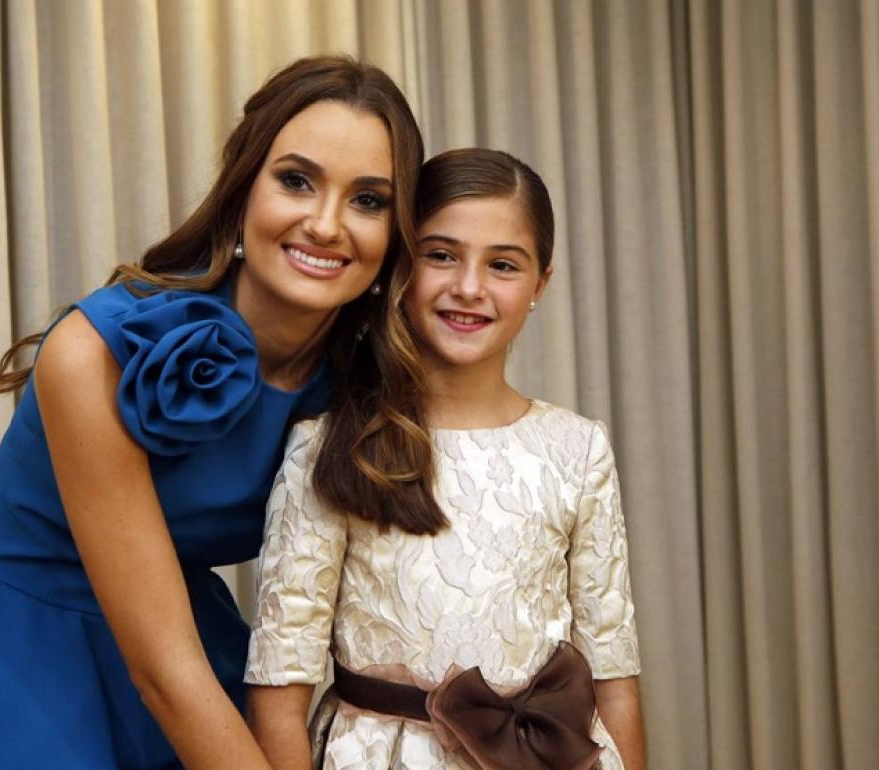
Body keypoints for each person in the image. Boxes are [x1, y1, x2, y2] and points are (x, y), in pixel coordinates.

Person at [0, 55, 425, 770]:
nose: (325, 224)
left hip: (185, 649)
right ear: (242, 190)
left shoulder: (357, 385)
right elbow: (164, 675)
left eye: (369, 200)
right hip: (30, 660)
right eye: (296, 181)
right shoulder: (94, 353)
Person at [243, 148, 647, 770]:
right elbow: (279, 682)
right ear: (400, 266)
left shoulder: (577, 447)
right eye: (441, 255)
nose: (468, 287)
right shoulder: (329, 446)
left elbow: (612, 670)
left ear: (541, 284)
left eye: (503, 265)